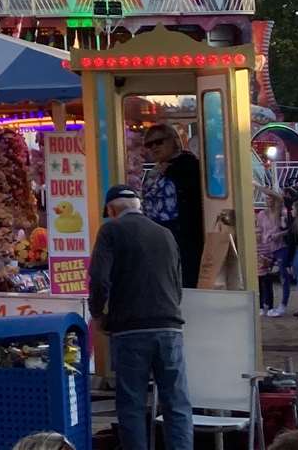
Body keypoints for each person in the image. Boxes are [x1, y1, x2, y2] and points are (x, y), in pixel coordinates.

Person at [89, 183, 192, 450]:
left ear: (111, 209)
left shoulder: (111, 229)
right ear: (139, 206)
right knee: (177, 403)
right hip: (170, 326)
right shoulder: (165, 233)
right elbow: (177, 282)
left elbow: (99, 279)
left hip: (130, 330)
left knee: (131, 403)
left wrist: (98, 313)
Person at [140, 123, 204, 288]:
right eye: (149, 144)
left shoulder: (188, 165)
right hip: (156, 238)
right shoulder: (155, 170)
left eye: (159, 142)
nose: (154, 147)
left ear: (174, 141)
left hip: (181, 240)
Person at [257, 190, 292, 318]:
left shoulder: (281, 212)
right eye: (267, 198)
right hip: (266, 248)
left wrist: (259, 186)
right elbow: (260, 231)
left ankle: (283, 304)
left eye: (271, 198)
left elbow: (289, 229)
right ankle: (265, 304)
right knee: (263, 277)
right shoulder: (261, 214)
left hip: (280, 247)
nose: (268, 200)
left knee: (283, 275)